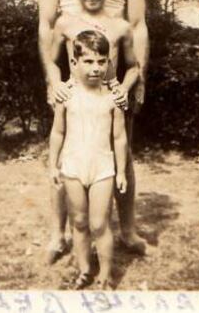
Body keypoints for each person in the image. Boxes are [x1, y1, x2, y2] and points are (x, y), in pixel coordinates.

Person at [39, 0, 149, 262]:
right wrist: (52, 80)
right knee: (66, 153)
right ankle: (58, 234)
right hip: (73, 81)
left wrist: (138, 80)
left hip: (114, 83)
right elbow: (46, 25)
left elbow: (137, 27)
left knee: (121, 154)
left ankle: (128, 230)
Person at [49, 31, 128, 290]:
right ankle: (84, 269)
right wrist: (53, 164)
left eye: (101, 62)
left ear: (108, 63)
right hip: (73, 167)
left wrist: (121, 173)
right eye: (89, 61)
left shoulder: (113, 98)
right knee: (79, 222)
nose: (96, 68)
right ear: (74, 63)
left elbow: (119, 138)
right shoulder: (66, 96)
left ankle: (106, 274)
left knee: (98, 223)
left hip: (102, 168)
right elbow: (58, 132)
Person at [47, 0, 140, 109]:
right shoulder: (65, 24)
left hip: (108, 98)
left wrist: (123, 88)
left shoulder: (121, 26)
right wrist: (56, 84)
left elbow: (133, 67)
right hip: (75, 97)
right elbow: (52, 62)